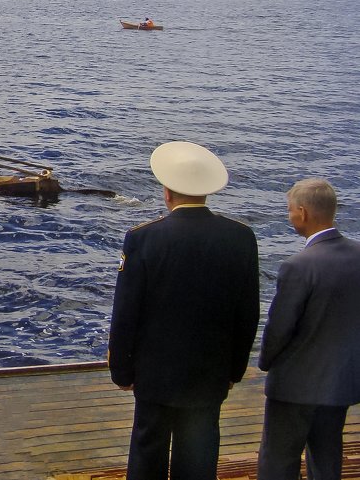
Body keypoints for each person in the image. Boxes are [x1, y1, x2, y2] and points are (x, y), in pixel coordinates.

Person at [108, 141, 260, 480]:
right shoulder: (240, 238)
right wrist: (235, 370)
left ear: (167, 192)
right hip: (210, 371)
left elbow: (126, 314)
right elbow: (247, 314)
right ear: (206, 192)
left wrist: (121, 370)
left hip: (154, 372)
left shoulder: (143, 239)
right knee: (199, 457)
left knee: (148, 453)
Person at [257, 179, 360, 480]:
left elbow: (279, 328)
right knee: (327, 459)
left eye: (290, 211)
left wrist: (265, 361)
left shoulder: (298, 266)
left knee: (279, 461)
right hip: (341, 380)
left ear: (302, 213)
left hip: (294, 385)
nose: (289, 217)